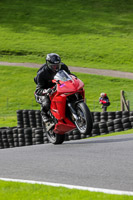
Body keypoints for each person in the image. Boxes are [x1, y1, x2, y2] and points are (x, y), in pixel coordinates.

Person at [34, 53, 71, 124]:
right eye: (54, 66)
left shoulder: (63, 66)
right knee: (46, 103)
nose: (56, 67)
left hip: (59, 86)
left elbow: (70, 75)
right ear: (48, 64)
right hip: (46, 90)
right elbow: (38, 89)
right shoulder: (42, 73)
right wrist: (47, 91)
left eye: (57, 65)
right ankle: (44, 114)